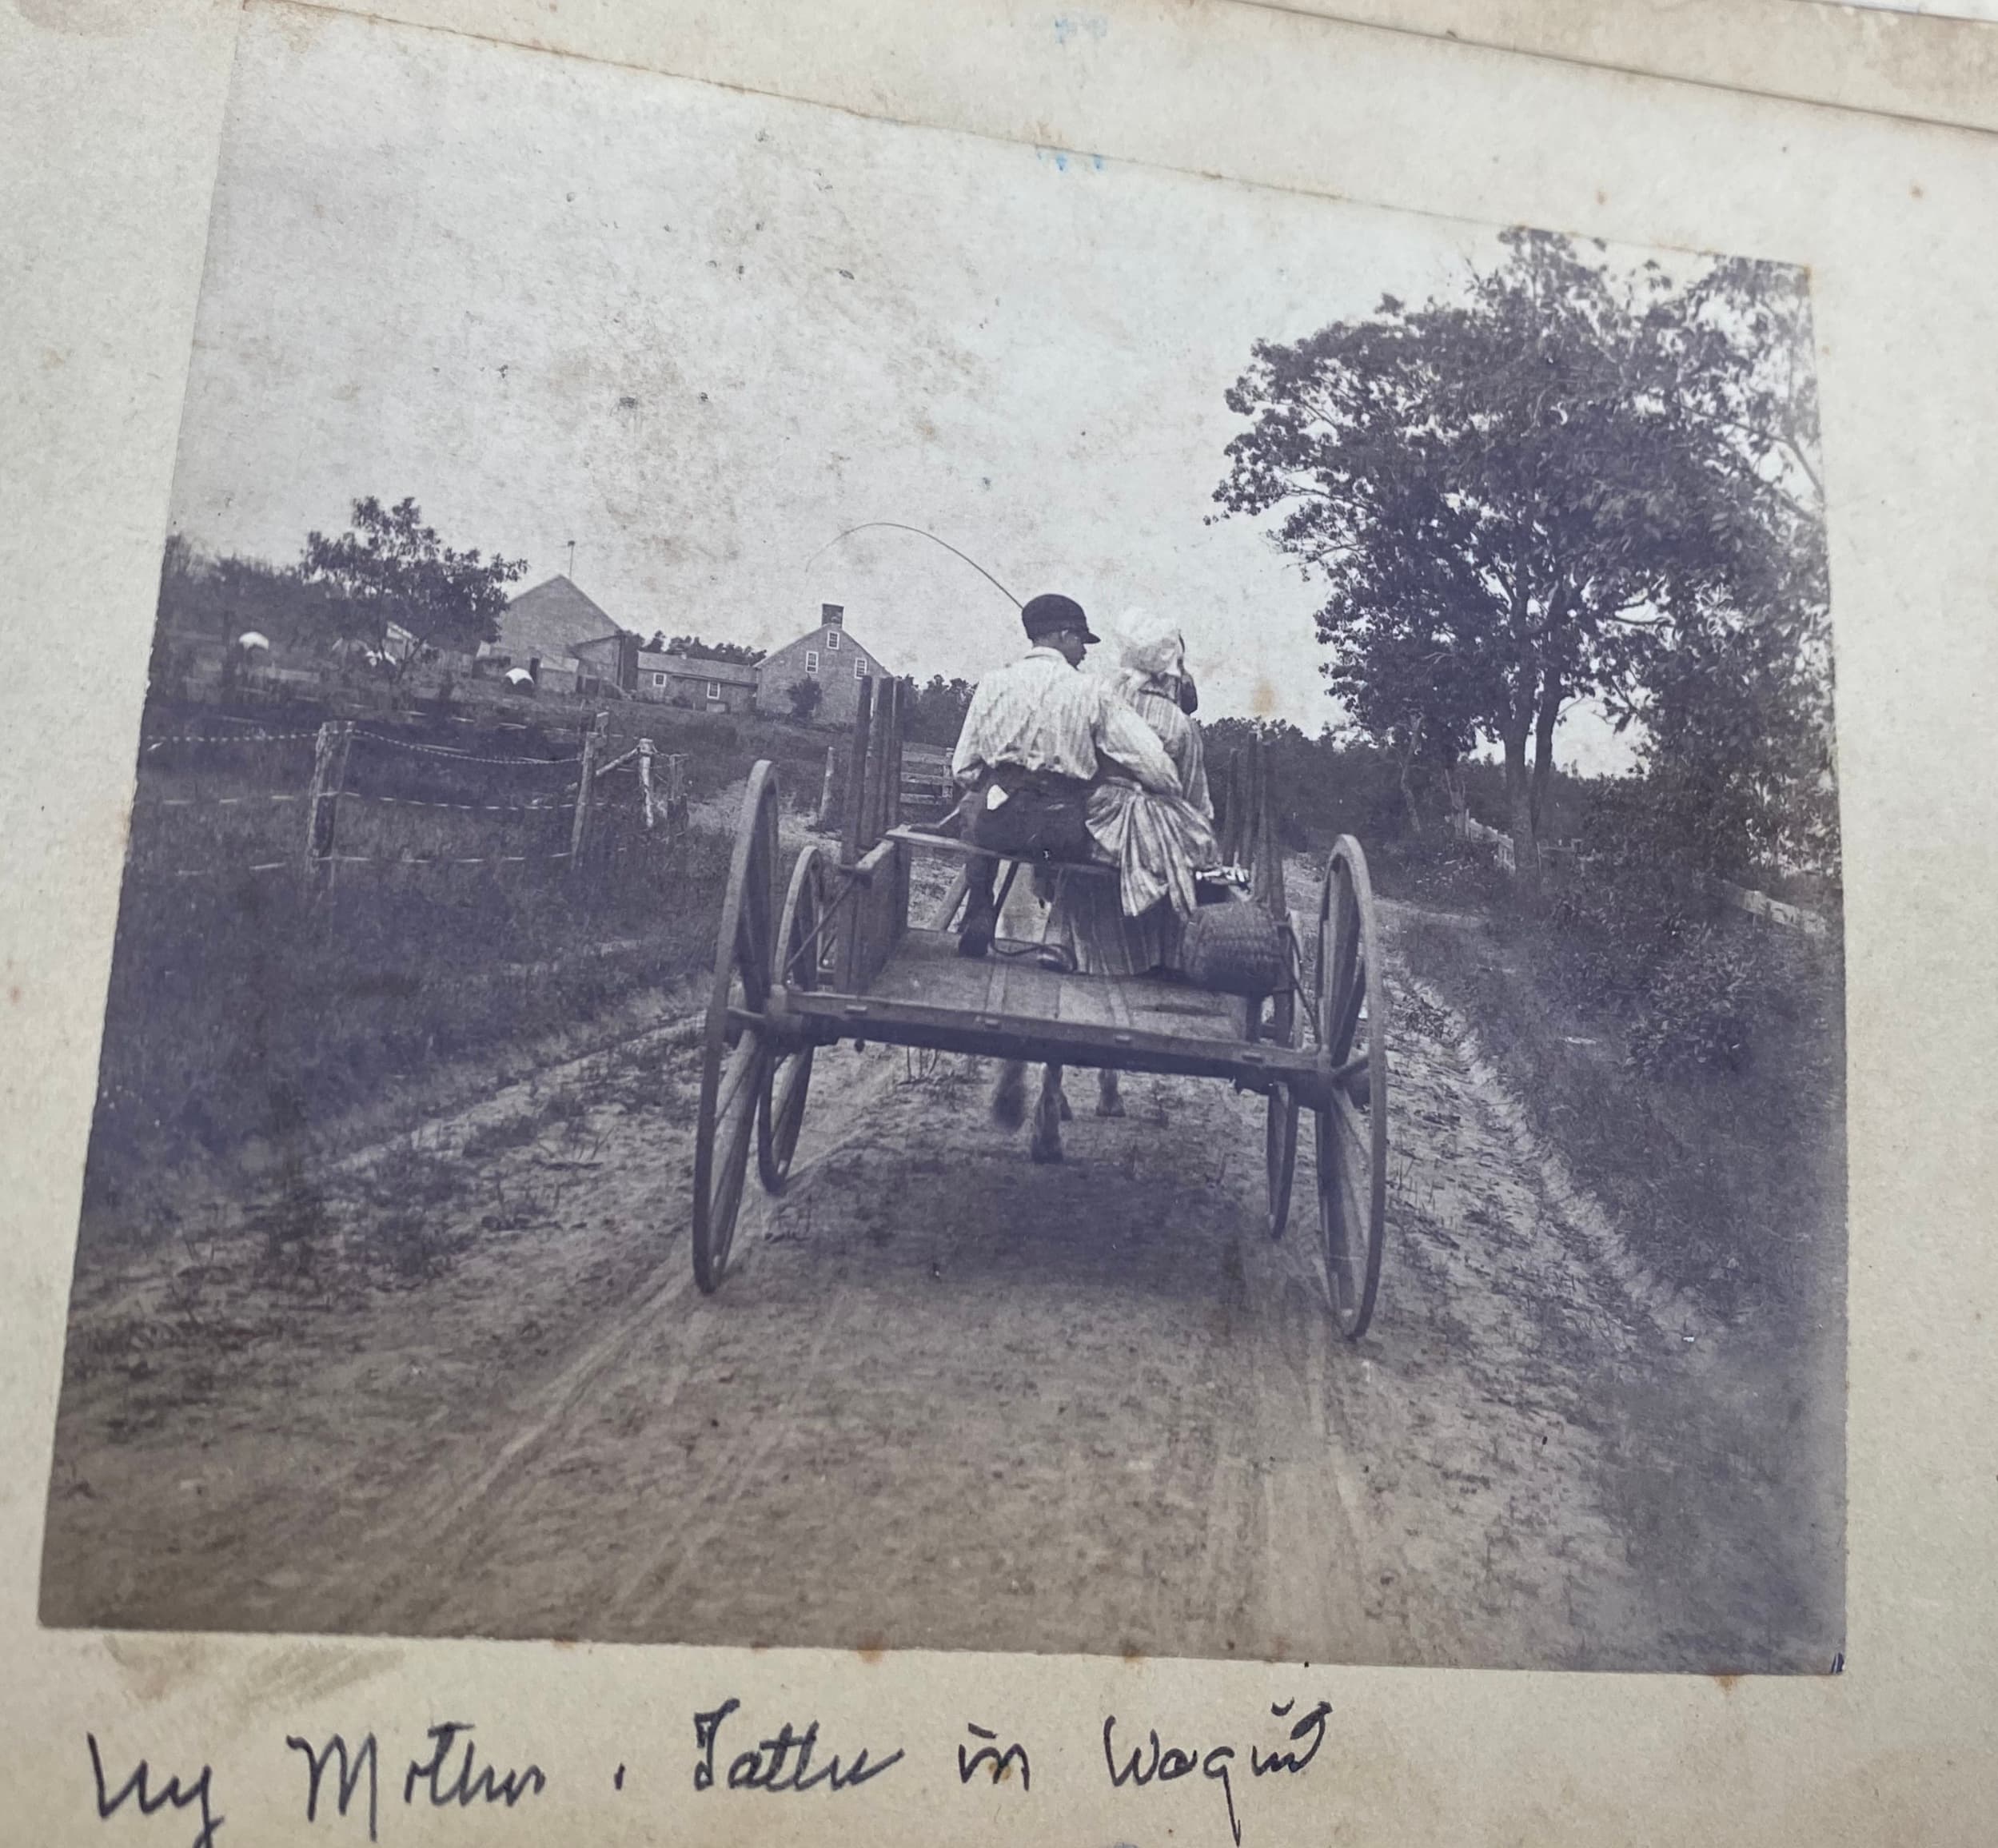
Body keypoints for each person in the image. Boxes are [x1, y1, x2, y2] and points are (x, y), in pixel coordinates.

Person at [949, 591, 1183, 958]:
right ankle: (1059, 934)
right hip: (1059, 834)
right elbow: (1153, 764)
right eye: (1080, 640)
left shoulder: (993, 682)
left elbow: (963, 768)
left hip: (997, 827)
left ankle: (979, 905)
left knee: (975, 805)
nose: (1085, 652)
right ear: (1061, 635)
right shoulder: (1093, 691)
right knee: (1095, 820)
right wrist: (1170, 787)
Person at [1048, 608, 1218, 979]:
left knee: (1081, 841)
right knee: (1184, 848)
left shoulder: (1099, 698)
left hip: (1098, 814)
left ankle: (1064, 944)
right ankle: (1157, 959)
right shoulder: (1180, 724)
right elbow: (1194, 794)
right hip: (1154, 815)